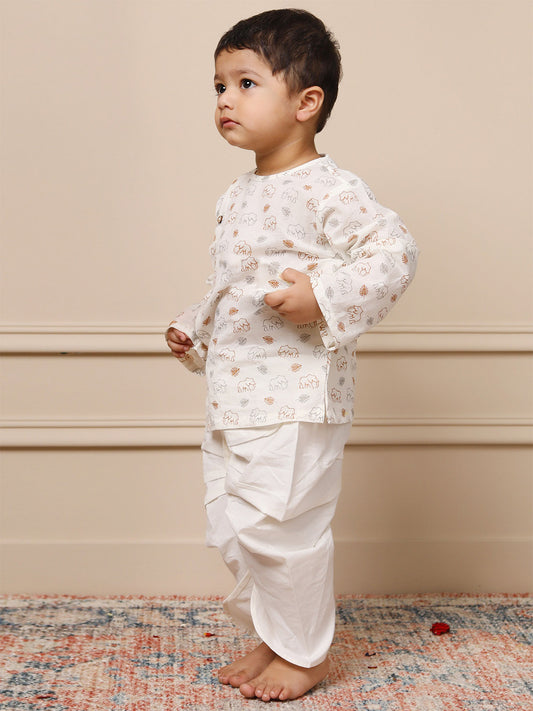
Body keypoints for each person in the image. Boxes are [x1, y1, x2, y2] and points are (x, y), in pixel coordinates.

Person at [165, 9, 419, 702]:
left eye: (245, 83)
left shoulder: (330, 189)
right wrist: (194, 329)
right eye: (218, 85)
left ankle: (304, 654)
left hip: (297, 393)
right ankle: (274, 633)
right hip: (234, 393)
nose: (224, 98)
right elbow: (238, 289)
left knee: (280, 527)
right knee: (233, 526)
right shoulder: (239, 194)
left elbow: (393, 254)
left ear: (306, 103)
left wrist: (323, 296)